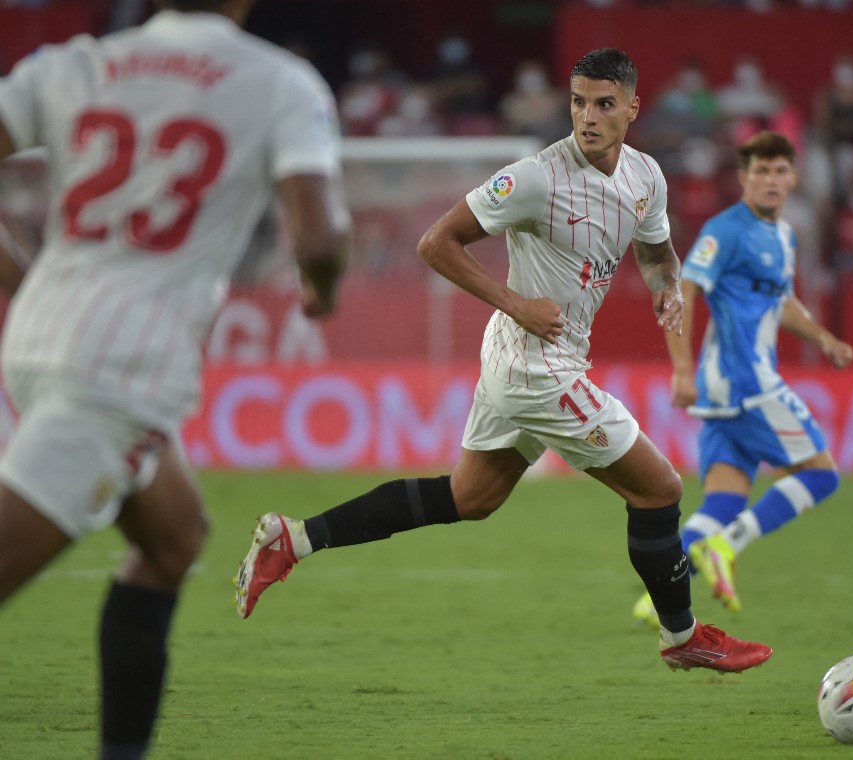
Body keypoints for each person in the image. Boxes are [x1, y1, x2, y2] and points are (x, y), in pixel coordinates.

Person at [235, 48, 772, 676]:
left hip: (537, 355)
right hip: (535, 366)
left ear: (632, 106)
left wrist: (663, 286)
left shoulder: (645, 176)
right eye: (578, 102)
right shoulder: (537, 178)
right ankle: (682, 637)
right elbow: (436, 243)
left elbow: (656, 251)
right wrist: (516, 302)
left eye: (603, 104)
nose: (588, 117)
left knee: (473, 497)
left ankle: (291, 540)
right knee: (660, 490)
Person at [0, 2, 351, 758]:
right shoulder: (280, 82)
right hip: (122, 366)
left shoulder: (74, 63)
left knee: (174, 536)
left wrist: (19, 276)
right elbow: (320, 234)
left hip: (37, 334)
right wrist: (322, 285)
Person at [633, 132, 853, 625]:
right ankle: (726, 548)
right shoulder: (726, 231)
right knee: (821, 475)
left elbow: (782, 301)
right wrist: (682, 369)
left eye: (779, 171)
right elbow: (681, 293)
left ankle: (657, 599)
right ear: (743, 179)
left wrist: (823, 338)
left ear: (793, 177)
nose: (771, 181)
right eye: (760, 172)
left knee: (725, 500)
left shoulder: (782, 236)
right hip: (745, 382)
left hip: (724, 393)